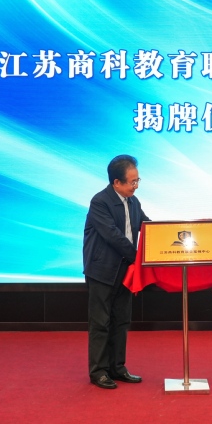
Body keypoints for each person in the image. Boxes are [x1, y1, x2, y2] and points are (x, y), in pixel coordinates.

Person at [83, 155, 150, 390]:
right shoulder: (100, 202)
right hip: (102, 271)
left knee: (121, 321)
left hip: (125, 271)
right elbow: (113, 236)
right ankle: (99, 371)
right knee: (100, 323)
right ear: (117, 182)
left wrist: (165, 239)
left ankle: (117, 367)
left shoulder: (133, 201)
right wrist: (139, 257)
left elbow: (146, 226)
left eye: (138, 180)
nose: (136, 185)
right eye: (132, 181)